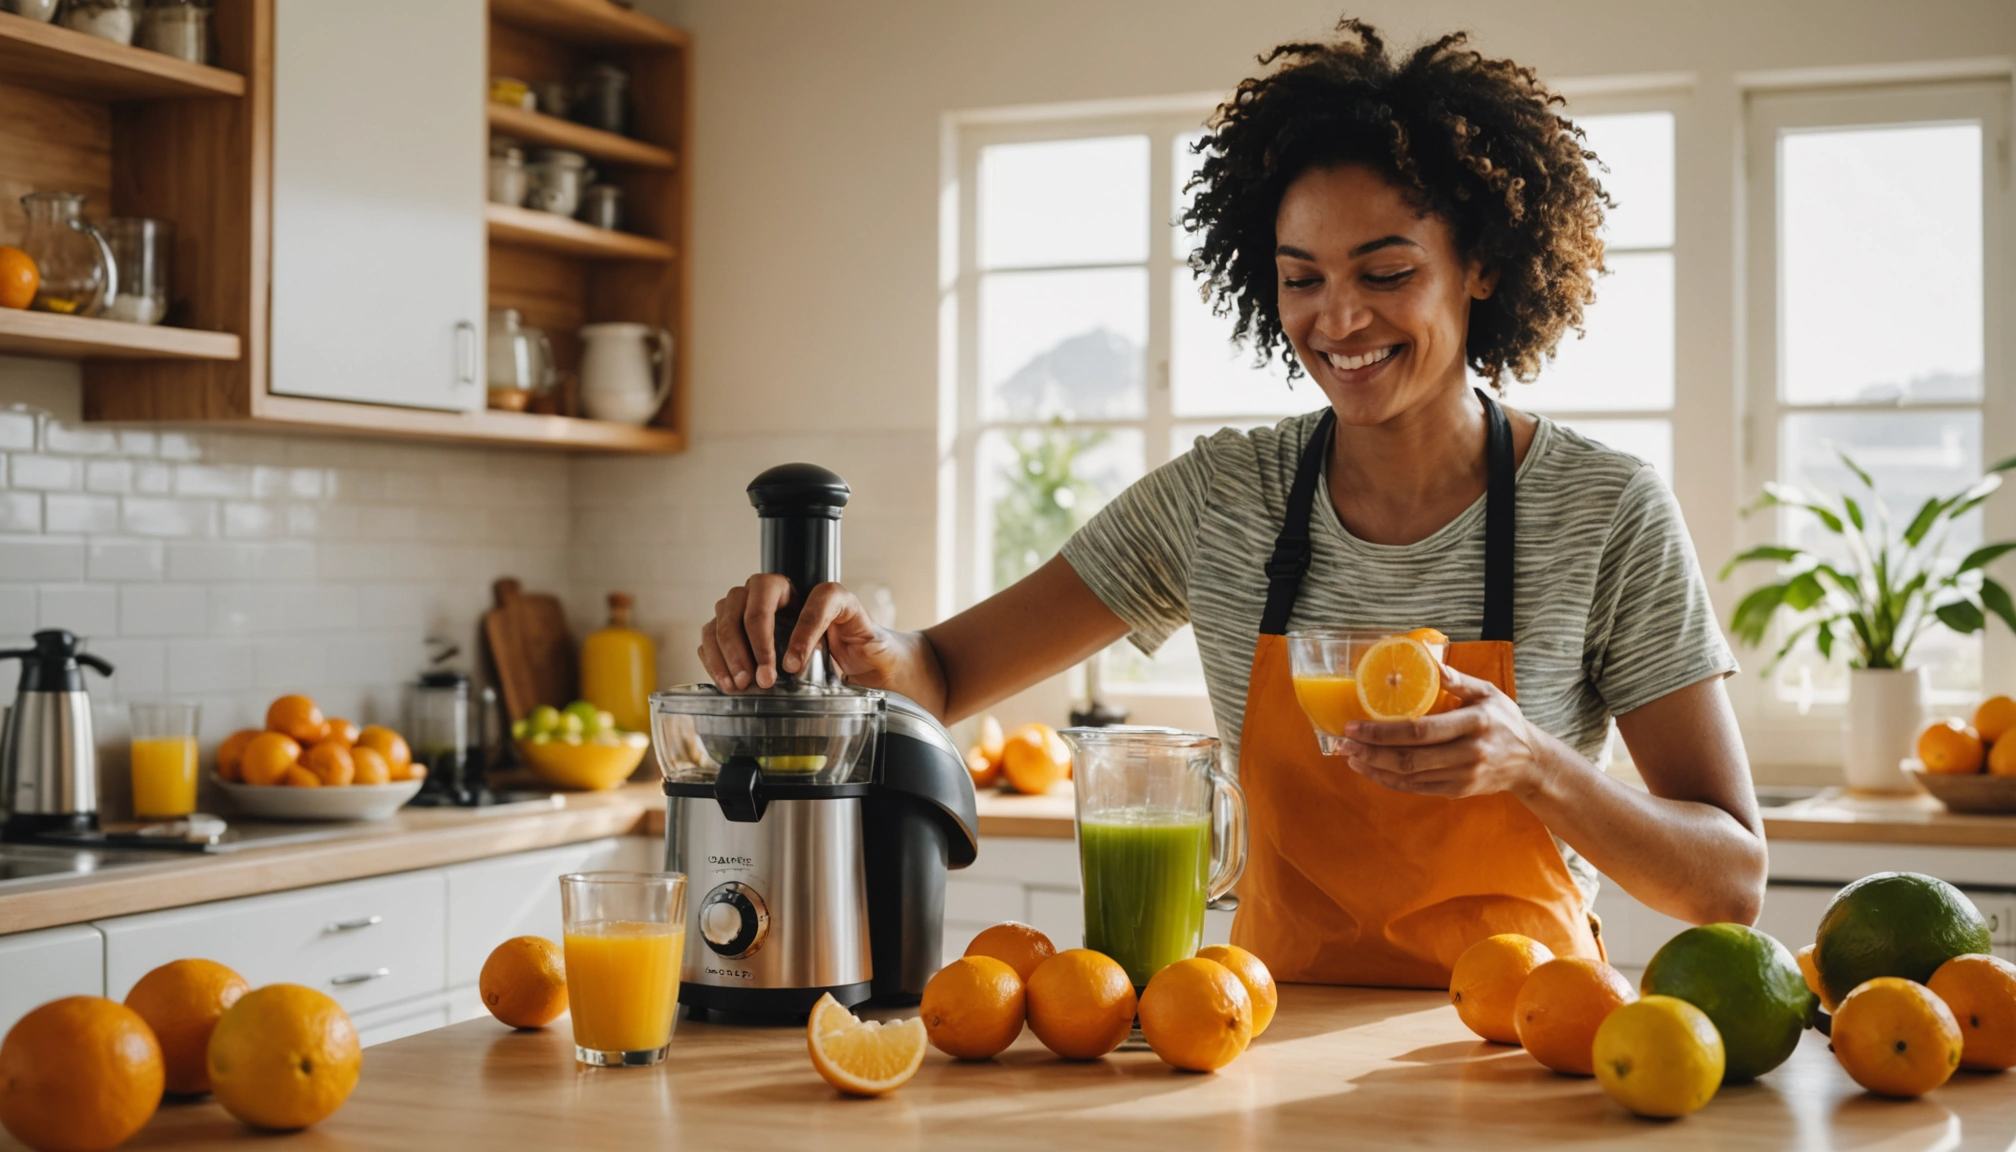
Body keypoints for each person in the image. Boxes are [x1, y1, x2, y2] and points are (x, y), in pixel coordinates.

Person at [699, 17, 1765, 987]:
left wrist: (1537, 764)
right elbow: (938, 675)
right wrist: (853, 644)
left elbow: (1726, 882)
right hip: (1252, 1033)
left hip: (1524, 1042)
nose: (1339, 319)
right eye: (1301, 278)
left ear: (1480, 264)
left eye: (1386, 273)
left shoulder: (1602, 508)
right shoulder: (1226, 497)